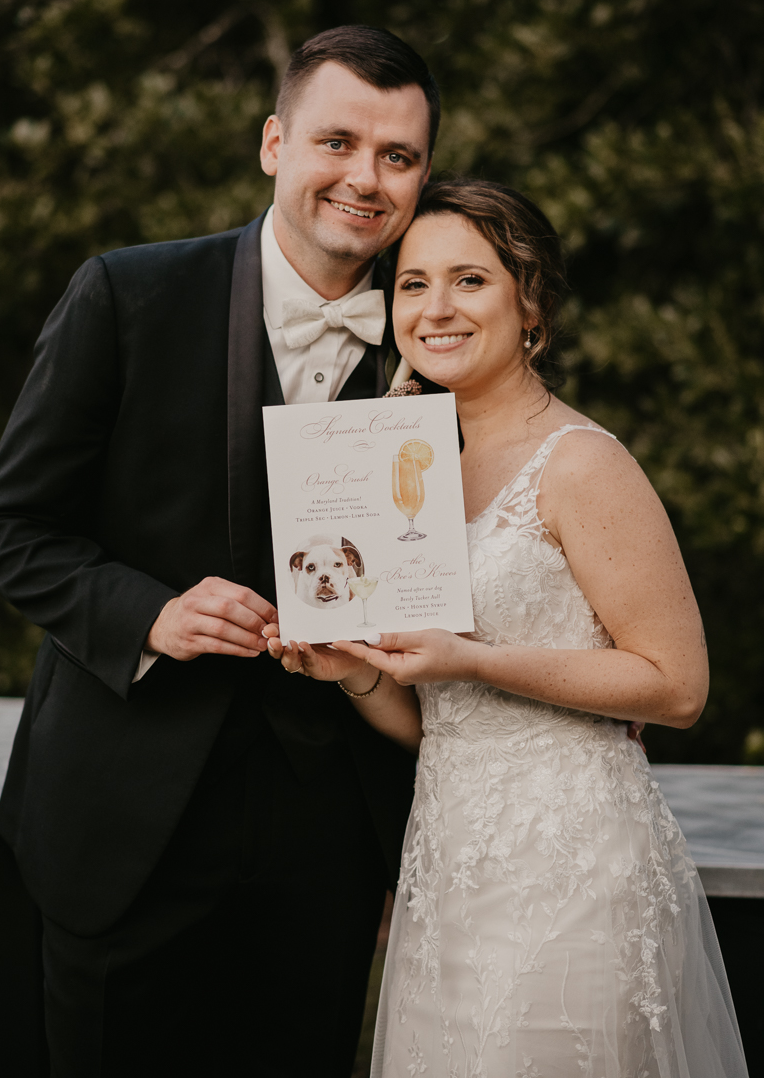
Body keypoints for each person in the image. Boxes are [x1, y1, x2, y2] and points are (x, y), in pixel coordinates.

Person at [0, 26, 440, 1078]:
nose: (364, 178)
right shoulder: (126, 296)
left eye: (397, 156)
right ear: (274, 143)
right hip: (124, 829)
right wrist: (148, 612)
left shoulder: (437, 336)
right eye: (337, 142)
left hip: (328, 843)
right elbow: (5, 532)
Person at [267, 179, 749, 1077]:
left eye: (469, 281)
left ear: (531, 304)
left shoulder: (582, 464)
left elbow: (678, 687)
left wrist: (474, 658)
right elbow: (434, 717)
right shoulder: (406, 482)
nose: (435, 309)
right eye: (412, 284)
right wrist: (357, 673)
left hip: (570, 868)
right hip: (448, 860)